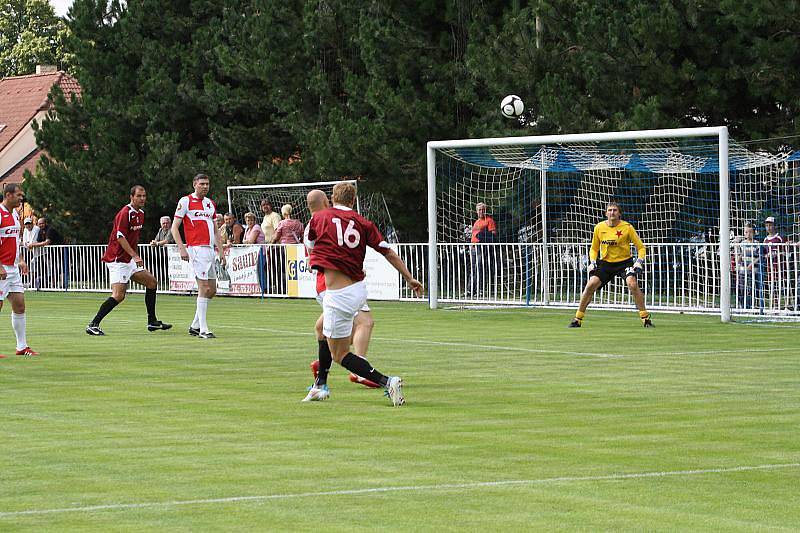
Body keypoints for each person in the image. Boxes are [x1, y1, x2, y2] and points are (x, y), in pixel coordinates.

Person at [302, 182, 423, 406]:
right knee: (320, 329)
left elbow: (309, 244)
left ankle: (388, 381)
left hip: (339, 296)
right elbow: (388, 252)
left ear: (332, 198)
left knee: (340, 355)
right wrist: (409, 277)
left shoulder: (319, 218)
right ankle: (320, 385)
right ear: (353, 200)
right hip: (356, 289)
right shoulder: (363, 222)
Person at [304, 190, 379, 390]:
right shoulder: (323, 221)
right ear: (325, 202)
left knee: (323, 329)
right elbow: (327, 256)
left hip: (327, 286)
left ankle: (322, 372)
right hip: (336, 286)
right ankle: (360, 370)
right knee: (365, 322)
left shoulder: (317, 222)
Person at [86, 186, 172, 335]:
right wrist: (135, 255)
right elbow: (120, 237)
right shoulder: (125, 213)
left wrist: (134, 256)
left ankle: (152, 322)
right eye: (139, 196)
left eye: (144, 196)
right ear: (131, 197)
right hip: (117, 259)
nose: (142, 198)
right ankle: (93, 324)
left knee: (152, 282)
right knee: (119, 295)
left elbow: (133, 238)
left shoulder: (141, 214)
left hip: (129, 259)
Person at [569, 202, 653, 328]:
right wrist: (592, 262)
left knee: (632, 284)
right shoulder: (599, 227)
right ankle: (577, 319)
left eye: (614, 210)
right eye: (609, 210)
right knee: (590, 285)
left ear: (619, 213)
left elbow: (641, 248)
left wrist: (639, 262)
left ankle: (645, 318)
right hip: (605, 264)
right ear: (605, 213)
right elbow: (593, 249)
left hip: (624, 263)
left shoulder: (627, 227)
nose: (612, 212)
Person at [171, 173, 226, 339]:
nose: (205, 186)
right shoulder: (185, 201)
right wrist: (182, 248)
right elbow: (175, 228)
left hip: (209, 250)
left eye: (207, 184)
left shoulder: (210, 204)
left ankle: (195, 325)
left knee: (213, 290)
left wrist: (221, 250)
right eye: (202, 183)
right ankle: (203, 329)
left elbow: (215, 230)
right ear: (194, 184)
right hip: (196, 249)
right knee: (204, 288)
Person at [0, 184, 38, 356]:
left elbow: (15, 241)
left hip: (13, 269)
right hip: (2, 267)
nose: (21, 198)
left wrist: (21, 260)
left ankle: (21, 347)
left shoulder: (15, 214)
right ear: (8, 195)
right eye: (18, 195)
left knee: (20, 305)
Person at [468, 202, 497, 297]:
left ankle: (479, 289)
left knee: (479, 268)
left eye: (483, 210)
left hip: (482, 247)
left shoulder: (489, 220)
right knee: (473, 268)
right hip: (474, 247)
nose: (481, 211)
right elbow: (473, 235)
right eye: (480, 210)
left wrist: (482, 237)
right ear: (476, 211)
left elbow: (493, 234)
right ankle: (470, 289)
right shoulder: (476, 222)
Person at [735, 223, 761, 309]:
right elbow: (740, 256)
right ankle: (743, 306)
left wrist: (752, 264)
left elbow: (759, 257)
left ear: (754, 232)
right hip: (743, 270)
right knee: (742, 289)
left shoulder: (757, 244)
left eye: (750, 232)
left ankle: (754, 305)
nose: (748, 234)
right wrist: (738, 259)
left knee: (753, 289)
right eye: (746, 232)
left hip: (754, 271)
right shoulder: (742, 243)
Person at [763, 216, 787, 310]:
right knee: (772, 286)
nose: (768, 227)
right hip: (770, 268)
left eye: (770, 225)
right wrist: (767, 256)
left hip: (781, 267)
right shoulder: (765, 240)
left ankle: (786, 305)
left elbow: (786, 251)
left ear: (775, 226)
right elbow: (763, 254)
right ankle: (774, 305)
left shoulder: (779, 238)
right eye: (767, 225)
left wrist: (778, 253)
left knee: (783, 285)